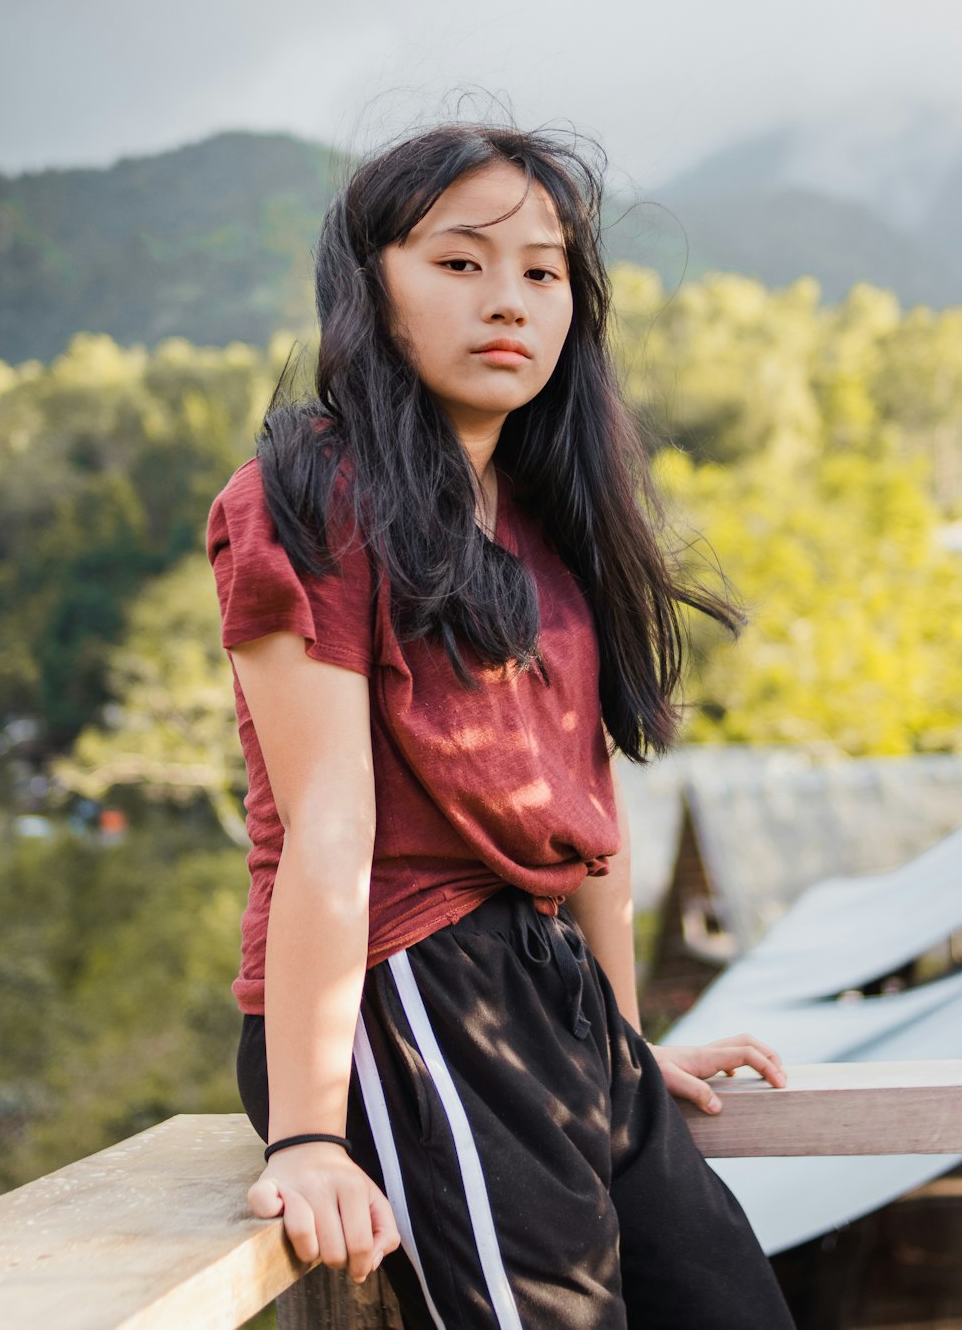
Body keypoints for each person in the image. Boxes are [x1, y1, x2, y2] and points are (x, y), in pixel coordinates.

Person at [206, 120, 797, 1329]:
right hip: (406, 988)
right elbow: (327, 831)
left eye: (542, 271)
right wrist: (311, 1133)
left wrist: (624, 1050)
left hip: (553, 998)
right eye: (460, 263)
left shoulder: (551, 517)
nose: (509, 301)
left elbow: (588, 816)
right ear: (370, 283)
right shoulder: (309, 494)